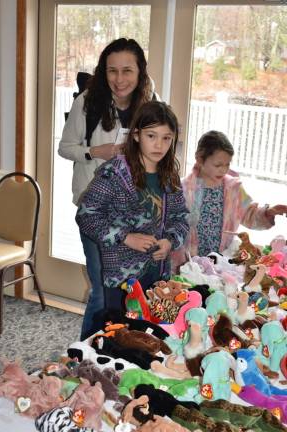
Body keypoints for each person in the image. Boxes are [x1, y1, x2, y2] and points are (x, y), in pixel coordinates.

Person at [58, 38, 158, 340]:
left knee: (129, 291)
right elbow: (65, 148)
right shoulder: (87, 103)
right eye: (112, 71)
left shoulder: (151, 104)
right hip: (95, 210)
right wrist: (94, 151)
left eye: (127, 70)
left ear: (140, 72)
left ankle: (117, 350)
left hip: (135, 211)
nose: (119, 79)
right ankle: (82, 357)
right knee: (102, 292)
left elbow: (161, 147)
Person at [76, 101, 190, 311]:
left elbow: (181, 217)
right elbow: (86, 216)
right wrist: (125, 237)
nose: (159, 145)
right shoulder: (114, 173)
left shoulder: (169, 176)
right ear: (136, 135)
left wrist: (170, 242)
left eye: (166, 138)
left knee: (152, 334)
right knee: (120, 335)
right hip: (121, 279)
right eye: (151, 136)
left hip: (159, 276)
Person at [175, 130, 287, 261]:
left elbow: (250, 215)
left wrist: (268, 213)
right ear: (200, 159)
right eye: (218, 165)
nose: (223, 169)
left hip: (221, 262)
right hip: (188, 264)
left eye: (227, 164)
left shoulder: (234, 189)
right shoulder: (183, 189)